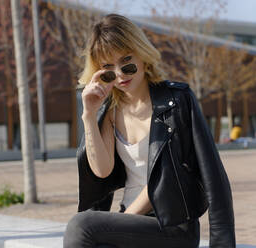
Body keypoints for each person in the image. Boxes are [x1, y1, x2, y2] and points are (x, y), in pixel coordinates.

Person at [63, 14, 235, 248]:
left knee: (80, 226)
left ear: (142, 56)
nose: (121, 74)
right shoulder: (109, 110)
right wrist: (89, 115)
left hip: (172, 226)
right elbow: (102, 170)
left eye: (127, 63)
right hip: (130, 225)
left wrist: (222, 244)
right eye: (108, 69)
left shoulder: (177, 101)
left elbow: (214, 177)